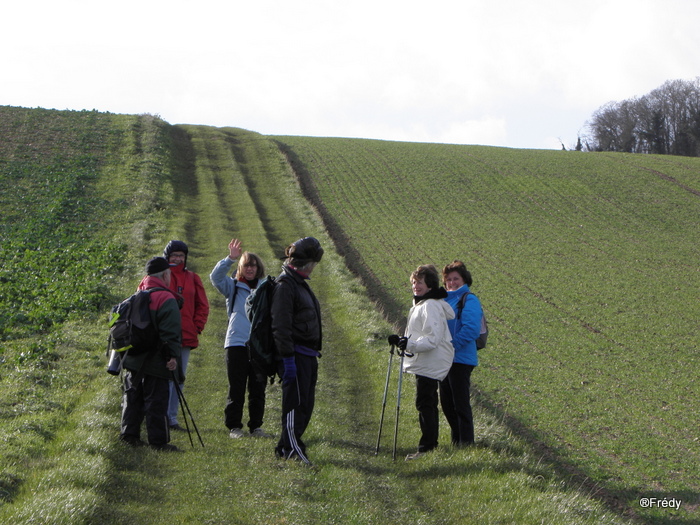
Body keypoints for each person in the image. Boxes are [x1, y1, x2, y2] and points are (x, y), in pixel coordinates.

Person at [140, 240, 210, 432]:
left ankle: (171, 417)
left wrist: (196, 327)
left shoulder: (193, 278)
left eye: (181, 256)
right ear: (167, 257)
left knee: (178, 378)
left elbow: (202, 305)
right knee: (158, 376)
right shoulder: (158, 278)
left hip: (185, 336)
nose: (178, 259)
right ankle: (156, 416)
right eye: (174, 256)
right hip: (158, 337)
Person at [389, 264, 454, 460]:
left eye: (420, 282)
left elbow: (432, 339)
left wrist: (408, 343)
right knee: (426, 402)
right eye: (414, 282)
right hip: (426, 360)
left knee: (426, 403)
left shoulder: (430, 306)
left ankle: (427, 448)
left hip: (431, 361)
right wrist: (404, 342)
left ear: (430, 285)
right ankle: (428, 445)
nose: (416, 286)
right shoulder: (423, 304)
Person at [209, 238, 272, 439]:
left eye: (253, 266)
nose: (250, 269)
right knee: (236, 387)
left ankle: (256, 427)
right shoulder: (233, 286)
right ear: (241, 268)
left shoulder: (267, 288)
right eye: (246, 265)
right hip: (236, 343)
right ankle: (234, 427)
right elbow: (216, 277)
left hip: (259, 345)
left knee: (258, 387)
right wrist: (230, 258)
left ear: (258, 268)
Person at [120, 257, 183, 451]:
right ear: (165, 275)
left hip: (133, 358)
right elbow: (171, 332)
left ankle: (129, 436)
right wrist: (172, 356)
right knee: (156, 401)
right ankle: (158, 442)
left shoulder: (137, 294)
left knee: (133, 398)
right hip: (156, 360)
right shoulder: (166, 298)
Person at [271, 237, 324, 464]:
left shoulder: (299, 283)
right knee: (295, 405)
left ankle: (287, 446)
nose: (314, 267)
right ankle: (291, 449)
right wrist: (287, 359)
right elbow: (280, 326)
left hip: (308, 355)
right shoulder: (286, 286)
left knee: (306, 404)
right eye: (313, 263)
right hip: (296, 355)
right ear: (307, 263)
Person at [441, 260, 482, 447]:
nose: (452, 283)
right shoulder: (442, 301)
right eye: (448, 279)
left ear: (464, 279)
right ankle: (456, 441)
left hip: (461, 359)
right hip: (443, 359)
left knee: (460, 405)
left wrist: (452, 345)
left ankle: (466, 444)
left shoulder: (469, 299)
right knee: (447, 404)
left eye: (456, 278)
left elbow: (472, 329)